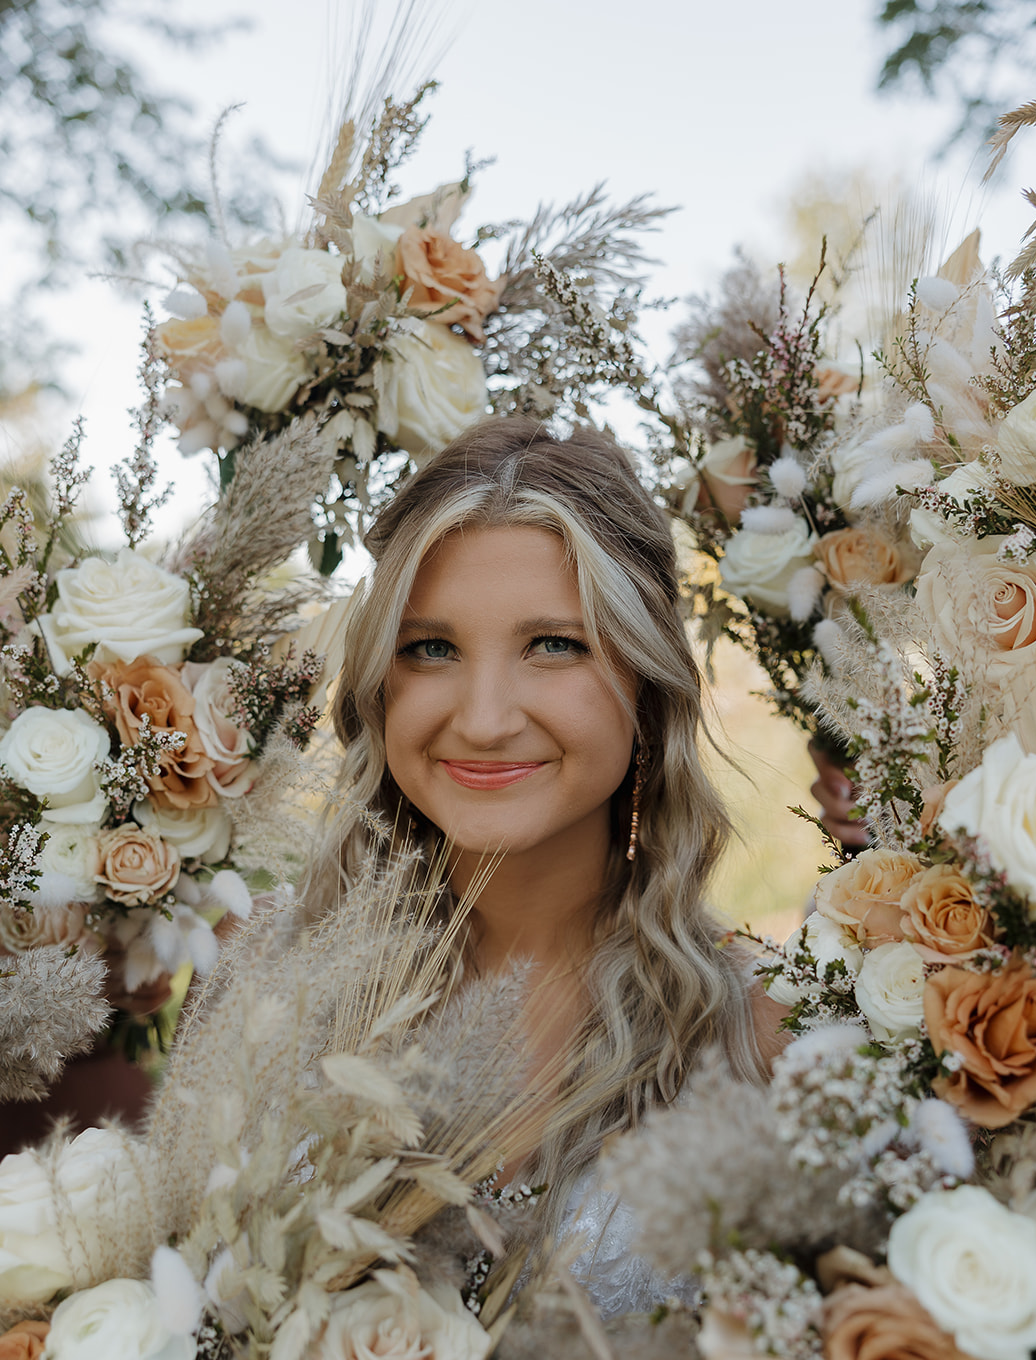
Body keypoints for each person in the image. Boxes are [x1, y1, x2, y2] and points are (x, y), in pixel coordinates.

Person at [299, 415, 784, 1306]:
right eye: (430, 648)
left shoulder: (768, 1039)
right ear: (378, 686)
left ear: (645, 685)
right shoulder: (277, 999)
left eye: (553, 645)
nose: (483, 718)